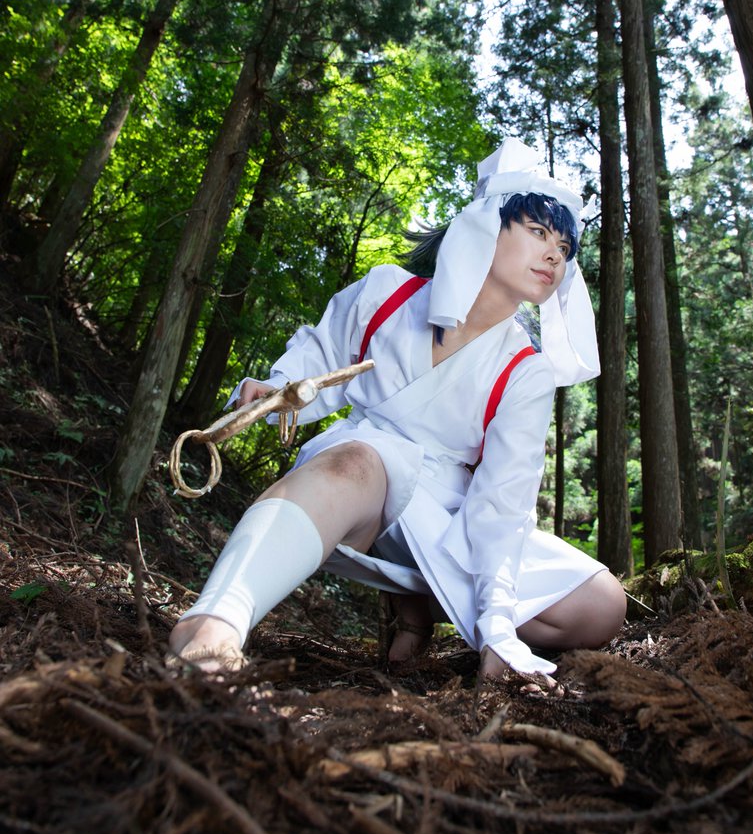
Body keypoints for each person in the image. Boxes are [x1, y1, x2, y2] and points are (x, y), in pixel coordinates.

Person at [167, 138, 627, 678]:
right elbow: (319, 354)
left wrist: (498, 624)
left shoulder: (527, 370)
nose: (555, 255)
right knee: (360, 459)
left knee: (602, 604)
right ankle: (214, 623)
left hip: (447, 514)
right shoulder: (388, 291)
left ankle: (419, 603)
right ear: (486, 224)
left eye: (565, 248)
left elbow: (502, 503)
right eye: (539, 232)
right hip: (353, 478)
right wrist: (276, 388)